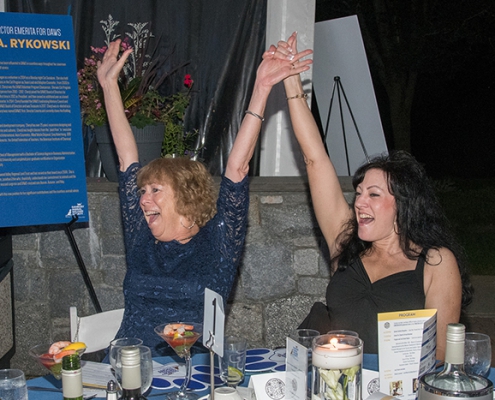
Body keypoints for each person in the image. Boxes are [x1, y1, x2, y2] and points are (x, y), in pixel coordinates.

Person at [97, 39, 313, 355]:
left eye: (155, 190)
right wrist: (108, 86)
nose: (143, 200)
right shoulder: (139, 235)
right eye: (143, 191)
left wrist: (262, 87)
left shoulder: (218, 244)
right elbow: (127, 158)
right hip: (127, 368)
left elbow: (237, 168)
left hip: (191, 373)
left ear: (186, 197)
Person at [275, 33, 472, 360]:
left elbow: (441, 355)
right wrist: (291, 83)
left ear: (403, 204)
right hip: (336, 378)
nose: (359, 202)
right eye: (359, 193)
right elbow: (315, 160)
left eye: (374, 194)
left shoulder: (435, 262)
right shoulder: (346, 243)